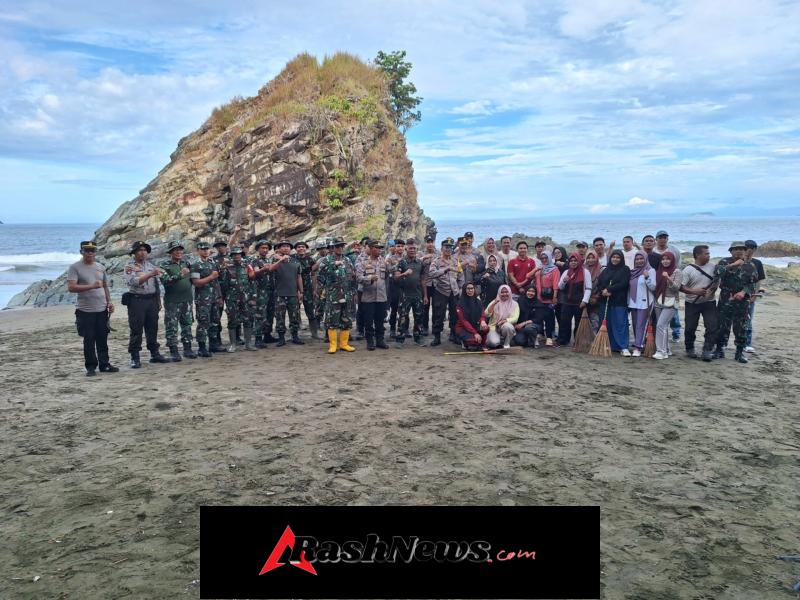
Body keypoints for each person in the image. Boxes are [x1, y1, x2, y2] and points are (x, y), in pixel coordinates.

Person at [67, 241, 118, 376]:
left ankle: (104, 364)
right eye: (87, 250)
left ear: (96, 252)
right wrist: (91, 286)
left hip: (101, 310)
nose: (90, 253)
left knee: (102, 338)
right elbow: (71, 287)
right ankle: (91, 367)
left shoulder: (100, 267)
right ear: (81, 252)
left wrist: (109, 302)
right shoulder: (75, 267)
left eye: (92, 250)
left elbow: (105, 286)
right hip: (85, 311)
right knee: (89, 339)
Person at [123, 241, 169, 368]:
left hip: (151, 300)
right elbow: (134, 282)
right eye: (139, 250)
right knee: (136, 329)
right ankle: (134, 357)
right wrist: (150, 274)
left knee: (152, 328)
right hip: (137, 300)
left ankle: (155, 353)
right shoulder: (129, 266)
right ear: (134, 253)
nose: (143, 252)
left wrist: (158, 301)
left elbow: (156, 285)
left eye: (145, 250)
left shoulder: (150, 265)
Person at [714, 242, 759, 363]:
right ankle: (719, 349)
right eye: (736, 249)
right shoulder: (724, 262)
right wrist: (733, 265)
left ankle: (739, 352)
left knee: (741, 327)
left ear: (745, 251)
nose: (739, 251)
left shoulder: (750, 265)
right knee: (722, 325)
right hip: (725, 298)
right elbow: (716, 273)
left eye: (742, 249)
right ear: (731, 251)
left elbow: (752, 284)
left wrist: (743, 292)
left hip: (742, 301)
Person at [680, 244, 719, 361]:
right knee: (690, 327)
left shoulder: (713, 267)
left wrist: (712, 290)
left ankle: (707, 350)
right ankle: (690, 348)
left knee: (712, 326)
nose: (709, 255)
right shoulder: (688, 270)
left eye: (709, 253)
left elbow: (716, 282)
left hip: (709, 302)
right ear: (698, 255)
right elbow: (681, 287)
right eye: (706, 253)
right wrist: (694, 291)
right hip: (692, 303)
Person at [318, 237, 357, 353]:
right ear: (332, 248)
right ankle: (333, 345)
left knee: (346, 320)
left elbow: (352, 277)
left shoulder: (348, 260)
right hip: (333, 296)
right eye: (337, 246)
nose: (340, 248)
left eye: (341, 246)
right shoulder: (326, 260)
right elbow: (320, 276)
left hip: (347, 295)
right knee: (332, 321)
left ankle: (344, 344)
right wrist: (333, 265)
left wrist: (353, 293)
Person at [159, 241, 196, 361]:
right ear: (170, 252)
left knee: (187, 324)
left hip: (187, 299)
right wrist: (180, 275)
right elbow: (165, 281)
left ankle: (188, 348)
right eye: (176, 250)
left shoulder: (186, 263)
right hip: (172, 301)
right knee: (172, 326)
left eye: (180, 250)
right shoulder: (164, 265)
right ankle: (173, 351)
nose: (179, 252)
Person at [428, 237, 464, 346]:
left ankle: (454, 334)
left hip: (454, 292)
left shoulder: (455, 261)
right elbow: (432, 274)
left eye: (450, 247)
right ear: (442, 248)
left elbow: (461, 275)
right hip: (441, 291)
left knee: (455, 314)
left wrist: (460, 287)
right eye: (446, 247)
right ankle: (437, 336)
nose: (448, 249)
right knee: (438, 314)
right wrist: (445, 269)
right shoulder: (436, 261)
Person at [219, 246, 256, 352]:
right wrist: (224, 298)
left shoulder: (247, 266)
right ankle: (233, 344)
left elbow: (252, 282)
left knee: (248, 319)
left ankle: (248, 344)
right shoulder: (227, 268)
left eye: (239, 254)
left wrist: (253, 297)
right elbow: (224, 285)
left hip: (246, 298)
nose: (237, 256)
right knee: (232, 320)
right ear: (231, 256)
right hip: (232, 299)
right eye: (235, 254)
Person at [189, 241, 221, 358]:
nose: (205, 251)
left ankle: (213, 345)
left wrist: (219, 296)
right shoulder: (196, 265)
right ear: (198, 251)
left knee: (214, 321)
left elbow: (217, 282)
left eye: (207, 249)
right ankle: (202, 347)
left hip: (214, 297)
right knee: (203, 322)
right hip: (202, 299)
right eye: (202, 249)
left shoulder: (212, 263)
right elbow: (196, 283)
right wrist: (211, 277)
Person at [357, 239, 390, 350]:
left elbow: (386, 276)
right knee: (368, 321)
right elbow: (358, 278)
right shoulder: (363, 263)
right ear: (371, 249)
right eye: (376, 248)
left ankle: (380, 340)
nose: (379, 250)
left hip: (381, 296)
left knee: (380, 320)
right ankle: (370, 341)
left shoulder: (384, 262)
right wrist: (369, 279)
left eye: (380, 248)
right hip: (368, 297)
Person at [595, 250, 630, 353]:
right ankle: (609, 344)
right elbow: (600, 283)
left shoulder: (625, 269)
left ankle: (623, 346)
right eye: (613, 257)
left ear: (621, 259)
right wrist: (603, 291)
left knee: (620, 324)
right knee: (607, 324)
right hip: (605, 301)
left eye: (618, 257)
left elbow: (623, 283)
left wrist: (610, 289)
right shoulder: (606, 270)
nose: (615, 259)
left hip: (619, 301)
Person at [394, 239, 427, 347]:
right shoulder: (402, 262)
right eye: (410, 248)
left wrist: (425, 295)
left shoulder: (420, 263)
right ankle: (400, 339)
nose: (412, 250)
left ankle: (418, 338)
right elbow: (396, 277)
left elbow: (423, 280)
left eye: (414, 248)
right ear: (406, 249)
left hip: (418, 295)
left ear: (417, 250)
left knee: (419, 317)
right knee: (403, 317)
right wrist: (405, 273)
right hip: (405, 295)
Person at [270, 240, 305, 347]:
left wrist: (301, 291)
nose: (285, 248)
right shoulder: (274, 260)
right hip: (279, 294)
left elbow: (299, 277)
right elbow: (271, 269)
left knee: (294, 316)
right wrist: (280, 260)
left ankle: (295, 336)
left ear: (291, 249)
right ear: (279, 248)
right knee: (280, 317)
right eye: (283, 246)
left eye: (287, 246)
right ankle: (281, 338)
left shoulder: (295, 261)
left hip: (293, 293)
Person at [556, 252, 592, 347]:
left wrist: (584, 301)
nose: (573, 263)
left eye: (575, 260)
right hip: (567, 302)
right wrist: (564, 281)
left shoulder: (585, 272)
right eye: (571, 261)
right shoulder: (566, 272)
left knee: (578, 322)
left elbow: (588, 288)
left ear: (579, 261)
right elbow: (560, 286)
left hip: (579, 302)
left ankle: (578, 341)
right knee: (564, 322)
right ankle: (563, 340)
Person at [653, 230, 682, 341]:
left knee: (673, 310)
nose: (662, 239)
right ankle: (661, 335)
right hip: (658, 281)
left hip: (671, 279)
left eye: (665, 237)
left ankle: (676, 333)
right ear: (656, 239)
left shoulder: (674, 250)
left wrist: (674, 277)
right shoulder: (654, 251)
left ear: (667, 239)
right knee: (659, 310)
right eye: (660, 237)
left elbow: (678, 264)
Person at [652, 251, 682, 360]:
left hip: (671, 303)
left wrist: (668, 278)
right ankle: (667, 350)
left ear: (672, 260)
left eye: (668, 259)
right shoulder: (659, 271)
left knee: (661, 325)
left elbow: (676, 288)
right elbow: (655, 287)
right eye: (663, 259)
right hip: (658, 301)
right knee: (662, 327)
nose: (665, 261)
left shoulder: (677, 271)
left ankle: (661, 351)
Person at [627, 251, 655, 357]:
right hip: (634, 302)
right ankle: (640, 343)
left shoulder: (650, 271)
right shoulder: (633, 272)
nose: (639, 261)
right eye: (637, 259)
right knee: (635, 324)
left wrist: (647, 278)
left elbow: (653, 287)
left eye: (641, 259)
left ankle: (638, 347)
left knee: (641, 325)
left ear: (645, 259)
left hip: (645, 302)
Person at [249, 241, 274, 348]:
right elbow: (254, 273)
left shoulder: (269, 260)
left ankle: (267, 335)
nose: (265, 250)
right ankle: (258, 339)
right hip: (259, 291)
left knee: (270, 313)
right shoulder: (255, 260)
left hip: (270, 291)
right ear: (258, 249)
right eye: (263, 248)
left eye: (267, 248)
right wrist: (263, 269)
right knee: (260, 315)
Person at [743, 240, 766, 353]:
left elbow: (758, 281)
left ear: (755, 249)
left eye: (752, 247)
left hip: (750, 295)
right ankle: (722, 343)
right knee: (728, 320)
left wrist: (755, 296)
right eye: (747, 247)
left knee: (748, 319)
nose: (749, 249)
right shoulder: (737, 261)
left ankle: (747, 343)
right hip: (734, 295)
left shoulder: (757, 263)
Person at [294, 241, 319, 340]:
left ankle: (314, 334)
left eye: (303, 247)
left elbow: (313, 275)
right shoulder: (293, 259)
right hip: (295, 289)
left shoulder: (310, 259)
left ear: (306, 248)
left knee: (310, 312)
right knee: (295, 312)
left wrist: (314, 289)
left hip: (308, 288)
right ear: (296, 249)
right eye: (299, 247)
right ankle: (295, 335)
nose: (301, 248)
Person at [533, 251, 560, 346]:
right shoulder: (540, 269)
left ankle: (549, 336)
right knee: (539, 317)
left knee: (549, 318)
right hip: (539, 297)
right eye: (542, 258)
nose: (544, 260)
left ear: (549, 258)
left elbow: (556, 284)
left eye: (546, 258)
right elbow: (528, 276)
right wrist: (536, 269)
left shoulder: (554, 269)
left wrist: (555, 297)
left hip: (549, 298)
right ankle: (541, 334)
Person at [454, 282, 488, 350]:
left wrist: (482, 321)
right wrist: (475, 333)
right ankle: (465, 341)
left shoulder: (478, 302)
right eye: (468, 289)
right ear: (464, 290)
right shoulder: (459, 304)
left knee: (486, 328)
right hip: (463, 328)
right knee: (474, 341)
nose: (470, 290)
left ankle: (481, 342)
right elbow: (463, 321)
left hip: (475, 325)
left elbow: (482, 314)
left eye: (472, 288)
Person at [485, 284, 519, 348]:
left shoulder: (515, 304)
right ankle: (496, 339)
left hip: (505, 326)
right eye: (502, 292)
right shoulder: (495, 301)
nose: (504, 294)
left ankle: (506, 343)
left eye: (506, 292)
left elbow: (515, 318)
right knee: (493, 343)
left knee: (508, 326)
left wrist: (504, 321)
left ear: (510, 292)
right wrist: (494, 303)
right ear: (499, 293)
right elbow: (486, 314)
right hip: (494, 327)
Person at [386, 238, 405, 337]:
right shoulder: (390, 259)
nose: (400, 248)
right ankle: (392, 329)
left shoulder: (407, 258)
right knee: (394, 308)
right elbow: (388, 270)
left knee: (404, 309)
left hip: (405, 286)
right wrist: (398, 265)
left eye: (402, 246)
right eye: (398, 246)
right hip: (394, 286)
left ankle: (403, 329)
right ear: (395, 247)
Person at [419, 235, 438, 335]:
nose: (430, 244)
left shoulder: (438, 253)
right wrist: (424, 257)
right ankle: (424, 327)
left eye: (432, 242)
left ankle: (435, 328)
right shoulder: (420, 253)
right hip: (425, 284)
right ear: (425, 243)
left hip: (436, 284)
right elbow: (416, 264)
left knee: (436, 307)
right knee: (425, 307)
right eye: (428, 242)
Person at [584, 249, 604, 334]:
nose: (591, 260)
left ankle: (594, 340)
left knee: (595, 321)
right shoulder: (583, 269)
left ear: (596, 258)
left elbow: (602, 285)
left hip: (596, 301)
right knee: (585, 321)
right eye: (588, 258)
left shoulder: (601, 270)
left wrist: (596, 297)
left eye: (593, 258)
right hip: (584, 300)